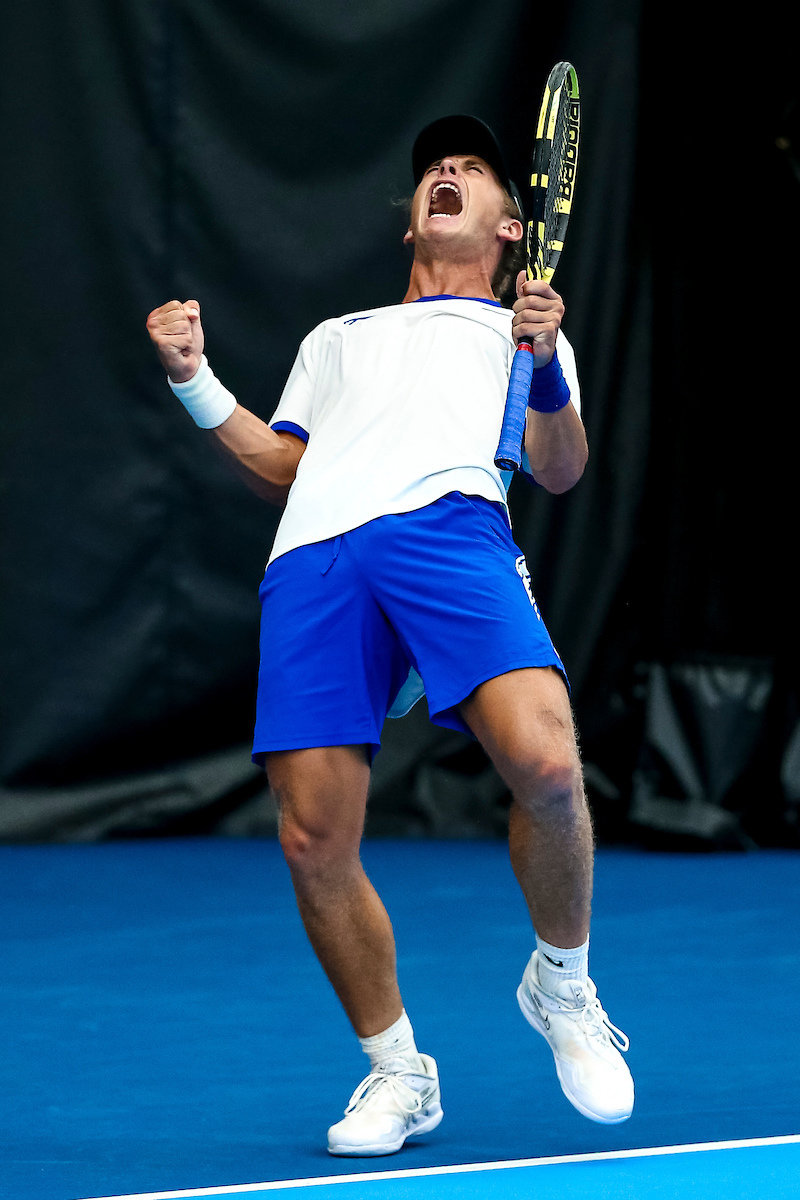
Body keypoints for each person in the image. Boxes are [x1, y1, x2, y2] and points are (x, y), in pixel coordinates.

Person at [146, 114, 634, 1158]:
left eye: (470, 170)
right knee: (312, 838)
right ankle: (397, 1071)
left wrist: (541, 362)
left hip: (450, 533)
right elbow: (281, 465)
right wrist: (194, 377)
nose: (444, 173)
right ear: (412, 219)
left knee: (547, 764)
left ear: (513, 229)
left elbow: (556, 467)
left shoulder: (524, 334)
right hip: (315, 557)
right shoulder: (336, 338)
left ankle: (560, 984)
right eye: (432, 170)